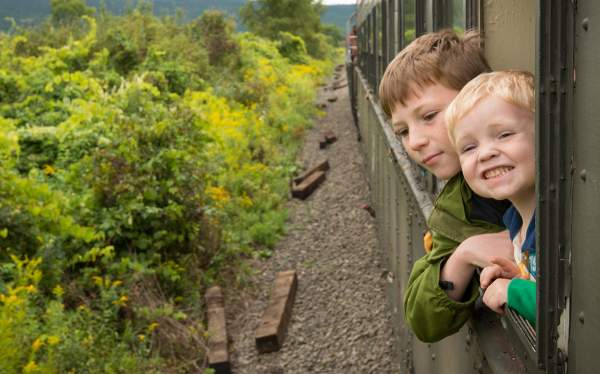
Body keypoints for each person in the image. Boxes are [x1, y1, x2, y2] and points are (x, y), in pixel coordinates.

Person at [378, 30, 513, 343]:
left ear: (476, 99)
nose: (415, 141)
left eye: (428, 116)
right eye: (402, 131)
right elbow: (423, 319)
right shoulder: (455, 208)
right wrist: (464, 255)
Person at [445, 71, 537, 325]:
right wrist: (522, 280)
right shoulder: (515, 220)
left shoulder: (563, 223)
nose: (485, 154)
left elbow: (580, 319)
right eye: (468, 147)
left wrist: (515, 293)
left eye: (504, 134)